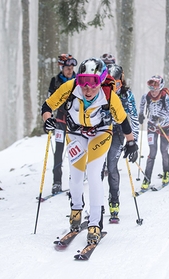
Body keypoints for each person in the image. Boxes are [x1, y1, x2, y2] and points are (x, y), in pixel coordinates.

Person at [41, 57, 138, 245]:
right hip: (75, 134)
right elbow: (47, 106)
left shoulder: (109, 94)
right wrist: (47, 120)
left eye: (93, 83)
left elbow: (123, 120)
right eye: (83, 82)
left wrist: (131, 142)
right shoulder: (70, 87)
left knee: (94, 174)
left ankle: (95, 223)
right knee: (76, 176)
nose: (87, 89)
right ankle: (76, 210)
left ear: (101, 80)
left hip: (100, 134)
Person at [100, 54, 139, 222]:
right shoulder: (100, 92)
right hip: (100, 132)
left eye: (115, 83)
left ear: (121, 81)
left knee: (112, 165)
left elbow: (134, 118)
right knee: (97, 169)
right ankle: (96, 203)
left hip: (117, 133)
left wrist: (133, 142)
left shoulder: (126, 94)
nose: (113, 86)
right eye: (109, 83)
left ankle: (114, 201)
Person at [47, 53, 77, 195]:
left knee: (75, 150)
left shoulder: (79, 80)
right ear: (61, 67)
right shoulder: (55, 81)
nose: (70, 70)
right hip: (60, 120)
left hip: (76, 121)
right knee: (58, 151)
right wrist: (48, 119)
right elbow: (49, 101)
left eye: (71, 67)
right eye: (67, 68)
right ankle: (57, 182)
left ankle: (75, 178)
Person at [138, 75, 169, 189]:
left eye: (156, 88)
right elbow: (142, 105)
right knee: (152, 152)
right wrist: (141, 114)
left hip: (166, 127)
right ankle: (147, 178)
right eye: (151, 88)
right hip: (152, 126)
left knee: (164, 151)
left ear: (161, 87)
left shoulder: (165, 97)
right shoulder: (146, 96)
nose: (153, 91)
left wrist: (162, 120)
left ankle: (166, 172)